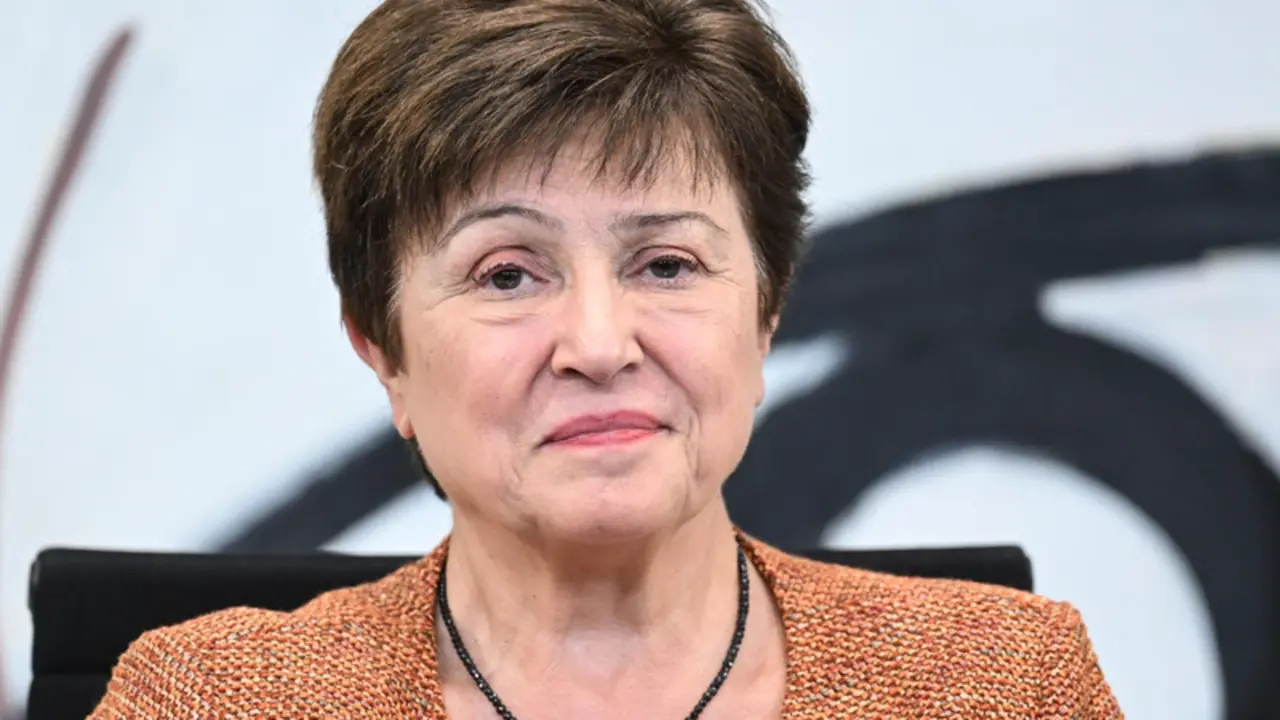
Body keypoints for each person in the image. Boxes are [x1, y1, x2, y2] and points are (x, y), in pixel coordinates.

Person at [90, 1, 1124, 718]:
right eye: (506, 275)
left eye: (666, 264)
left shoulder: (1003, 686)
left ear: (763, 320)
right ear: (384, 354)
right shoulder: (207, 701)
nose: (596, 344)